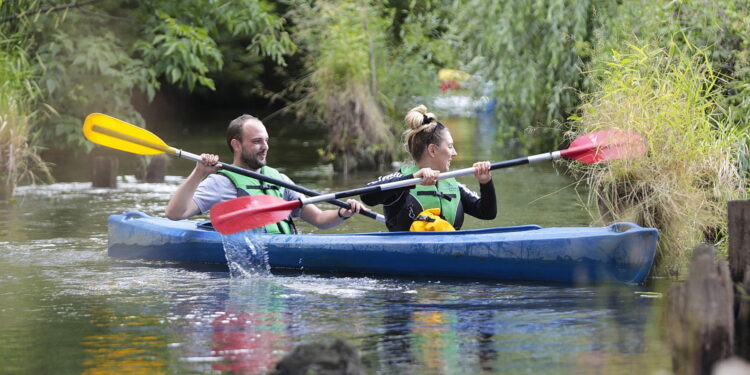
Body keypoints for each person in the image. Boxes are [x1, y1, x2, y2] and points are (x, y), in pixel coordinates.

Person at [165, 114, 362, 233]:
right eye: (257, 141)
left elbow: (319, 220)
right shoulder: (220, 183)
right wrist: (199, 173)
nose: (265, 147)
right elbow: (175, 214)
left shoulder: (280, 180)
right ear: (236, 145)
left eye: (266, 140)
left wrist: (342, 213)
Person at [361, 105, 496, 231]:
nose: (454, 153)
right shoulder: (401, 180)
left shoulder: (453, 186)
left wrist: (486, 182)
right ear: (432, 150)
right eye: (450, 146)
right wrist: (413, 179)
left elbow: (488, 213)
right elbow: (366, 195)